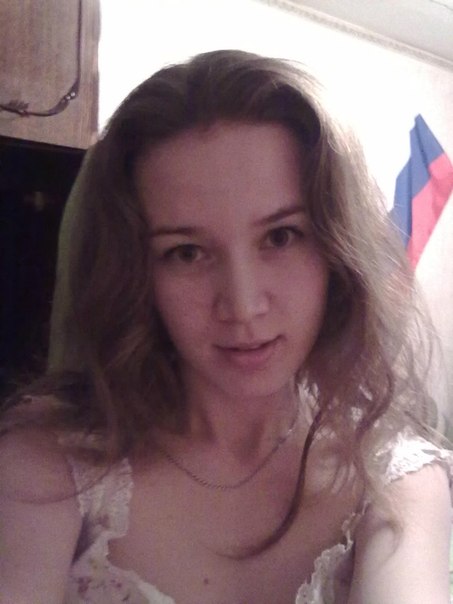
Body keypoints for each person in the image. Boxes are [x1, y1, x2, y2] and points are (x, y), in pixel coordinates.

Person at [0, 49, 452, 604]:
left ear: (336, 251)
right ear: (135, 271)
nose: (242, 306)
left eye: (281, 237)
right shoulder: (49, 463)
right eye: (187, 252)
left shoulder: (394, 481)